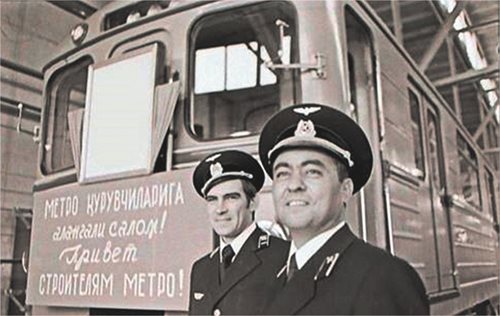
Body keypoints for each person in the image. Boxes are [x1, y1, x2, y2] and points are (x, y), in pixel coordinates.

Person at [258, 103, 430, 315]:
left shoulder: (384, 278)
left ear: (345, 189)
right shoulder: (267, 275)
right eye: (283, 173)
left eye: (312, 171)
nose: (294, 185)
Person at [189, 150, 289, 315]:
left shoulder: (283, 257)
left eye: (231, 198)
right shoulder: (201, 269)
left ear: (253, 203)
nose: (220, 209)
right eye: (212, 200)